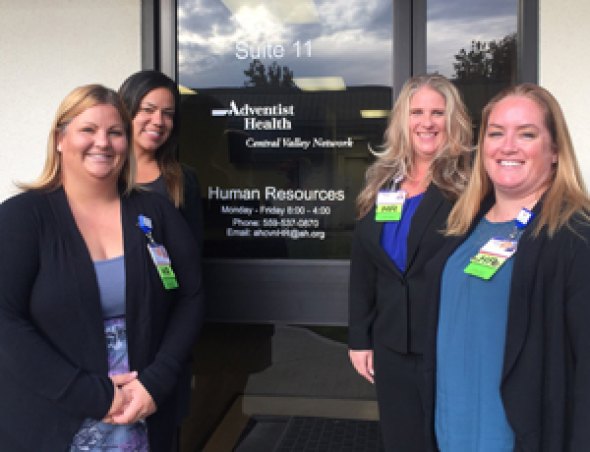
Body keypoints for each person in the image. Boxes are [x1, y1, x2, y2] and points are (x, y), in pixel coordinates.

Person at [0, 84, 204, 451]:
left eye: (115, 132)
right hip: (51, 417)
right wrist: (90, 395)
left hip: (144, 413)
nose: (104, 143)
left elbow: (191, 295)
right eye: (88, 130)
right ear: (60, 139)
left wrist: (157, 381)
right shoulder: (21, 218)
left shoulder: (154, 213)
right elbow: (5, 320)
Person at [423, 83, 590, 451]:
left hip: (520, 437)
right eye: (496, 133)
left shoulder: (574, 238)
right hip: (452, 431)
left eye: (526, 134)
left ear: (555, 151)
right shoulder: (465, 226)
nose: (507, 146)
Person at [348, 74, 473, 451]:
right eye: (417, 112)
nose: (427, 122)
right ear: (403, 120)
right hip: (390, 346)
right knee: (401, 441)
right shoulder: (382, 184)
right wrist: (359, 338)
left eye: (438, 112)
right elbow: (366, 268)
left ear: (454, 120)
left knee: (446, 441)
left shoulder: (471, 186)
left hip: (446, 344)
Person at [118, 69, 203, 243]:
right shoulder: (103, 173)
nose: (158, 121)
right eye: (148, 110)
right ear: (125, 111)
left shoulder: (183, 179)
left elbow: (192, 253)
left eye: (168, 114)